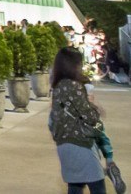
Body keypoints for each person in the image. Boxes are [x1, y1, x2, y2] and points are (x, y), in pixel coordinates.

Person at [49, 46, 124, 194]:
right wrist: (96, 111)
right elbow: (88, 116)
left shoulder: (57, 86)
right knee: (97, 186)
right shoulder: (73, 86)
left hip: (63, 145)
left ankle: (109, 160)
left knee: (75, 185)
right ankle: (109, 160)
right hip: (80, 144)